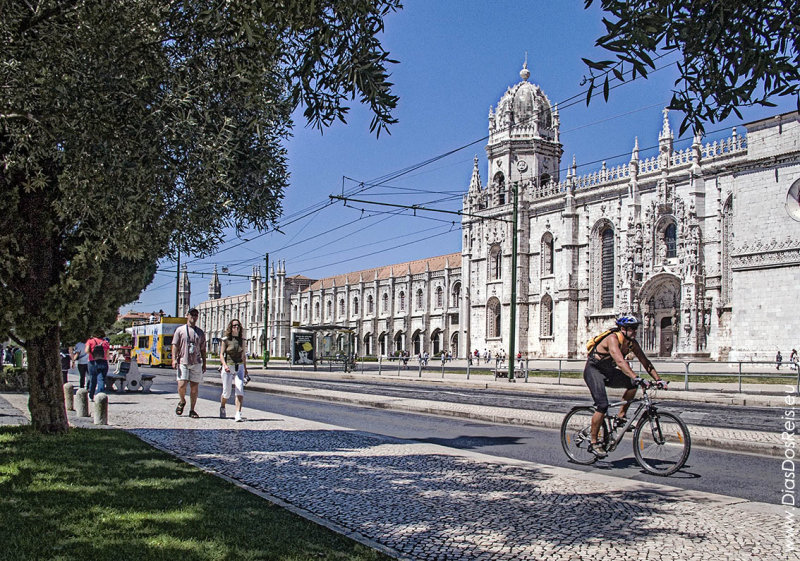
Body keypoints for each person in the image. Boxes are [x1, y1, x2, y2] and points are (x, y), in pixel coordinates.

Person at [583, 315, 665, 459]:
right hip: (594, 370)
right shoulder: (613, 339)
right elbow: (620, 361)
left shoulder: (632, 343)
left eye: (636, 328)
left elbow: (645, 362)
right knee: (602, 405)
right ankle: (594, 441)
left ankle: (621, 416)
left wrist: (658, 380)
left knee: (633, 385)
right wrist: (636, 376)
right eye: (632, 329)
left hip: (608, 371)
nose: (635, 332)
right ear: (623, 329)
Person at [172, 308, 207, 418]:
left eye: (196, 315)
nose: (194, 316)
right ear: (187, 315)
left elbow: (203, 349)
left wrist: (204, 363)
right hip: (183, 361)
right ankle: (182, 401)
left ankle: (192, 410)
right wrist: (173, 359)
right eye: (192, 314)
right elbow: (175, 345)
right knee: (181, 385)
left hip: (196, 362)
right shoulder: (180, 330)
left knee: (194, 388)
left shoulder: (200, 332)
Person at [219, 319, 247, 422]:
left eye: (238, 326)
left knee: (239, 389)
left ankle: (238, 413)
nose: (236, 327)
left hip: (239, 367)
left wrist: (245, 369)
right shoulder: (225, 340)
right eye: (234, 326)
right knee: (227, 392)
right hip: (228, 367)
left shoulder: (242, 340)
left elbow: (243, 356)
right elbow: (221, 354)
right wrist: (224, 365)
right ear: (231, 327)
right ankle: (222, 406)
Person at [85, 331, 110, 401]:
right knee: (101, 379)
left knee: (92, 379)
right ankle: (100, 396)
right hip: (103, 361)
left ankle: (91, 396)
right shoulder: (105, 342)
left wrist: (92, 354)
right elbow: (107, 354)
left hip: (92, 362)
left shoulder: (90, 341)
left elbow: (86, 350)